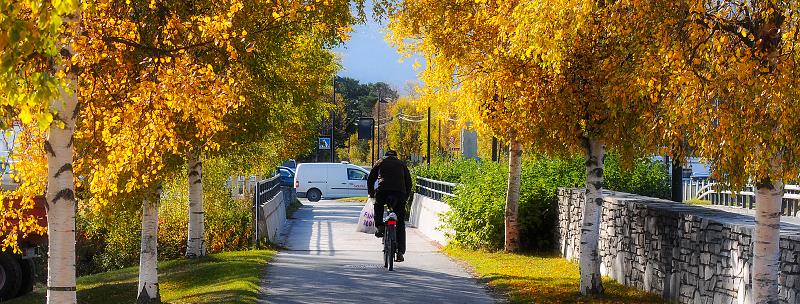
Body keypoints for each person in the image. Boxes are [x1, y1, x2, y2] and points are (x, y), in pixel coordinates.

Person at [367, 150, 412, 262]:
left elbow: (371, 179)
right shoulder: (402, 164)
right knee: (400, 222)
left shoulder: (380, 161)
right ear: (396, 156)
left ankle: (380, 226)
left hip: (383, 191)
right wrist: (404, 198)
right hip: (399, 193)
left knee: (378, 205)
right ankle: (400, 252)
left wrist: (371, 194)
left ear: (385, 155)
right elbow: (409, 182)